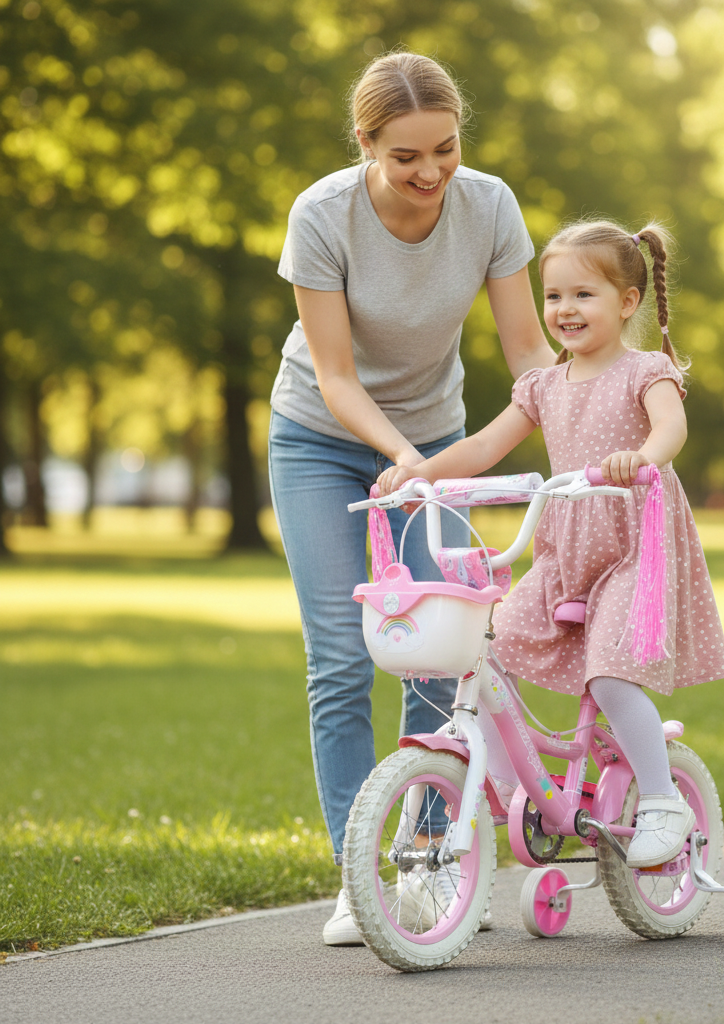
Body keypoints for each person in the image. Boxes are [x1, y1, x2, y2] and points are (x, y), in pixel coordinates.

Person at [267, 51, 554, 946]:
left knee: (436, 654)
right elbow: (338, 376)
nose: (430, 172)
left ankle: (428, 868)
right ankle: (361, 880)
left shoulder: (490, 205)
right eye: (406, 157)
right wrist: (401, 457)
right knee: (343, 662)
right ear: (366, 145)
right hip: (322, 440)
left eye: (446, 148)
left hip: (435, 443)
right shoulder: (322, 215)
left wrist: (580, 423)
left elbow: (527, 352)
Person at [379, 219, 724, 869]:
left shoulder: (645, 370)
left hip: (633, 547)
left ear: (627, 303)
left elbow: (671, 428)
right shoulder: (543, 384)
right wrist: (421, 474)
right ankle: (516, 792)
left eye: (583, 295)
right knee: (488, 651)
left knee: (612, 672)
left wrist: (640, 459)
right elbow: (486, 446)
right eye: (553, 297)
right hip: (564, 551)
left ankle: (660, 798)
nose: (564, 310)